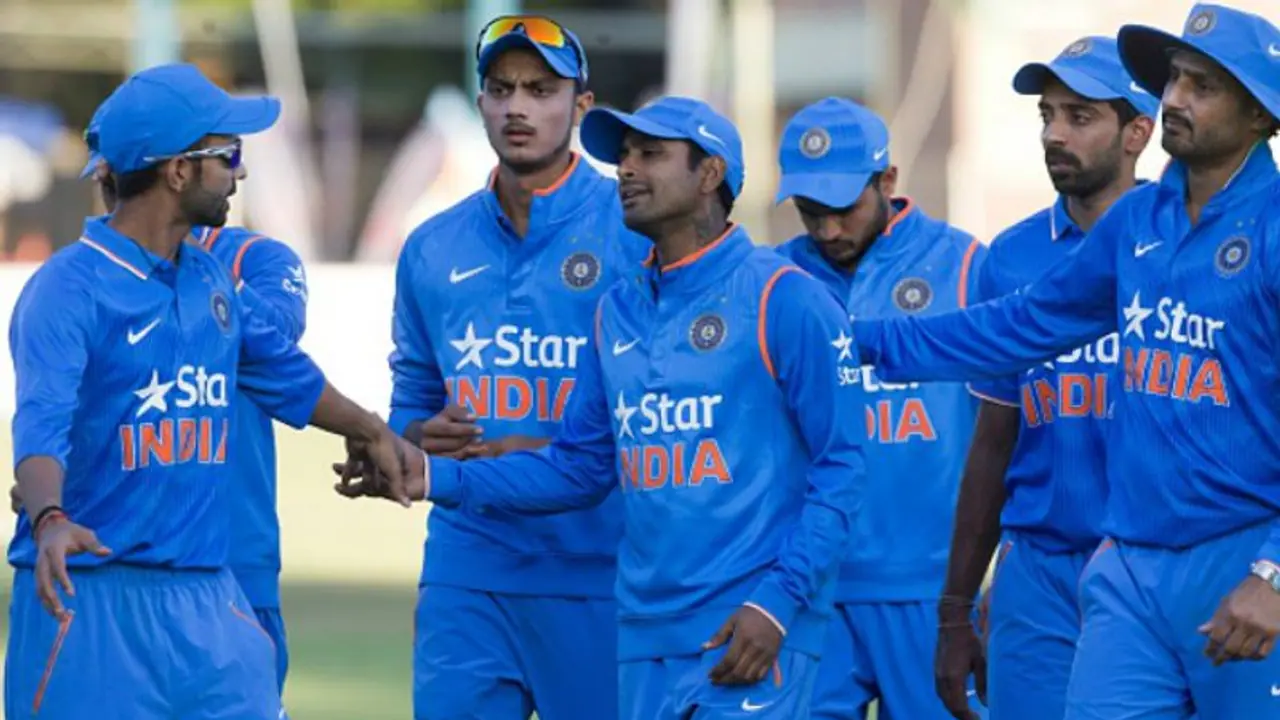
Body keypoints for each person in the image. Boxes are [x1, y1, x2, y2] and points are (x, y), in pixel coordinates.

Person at [340, 95, 866, 720]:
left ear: (710, 173)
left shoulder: (785, 299)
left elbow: (844, 468)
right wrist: (430, 475)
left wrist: (778, 601)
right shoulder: (616, 309)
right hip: (643, 634)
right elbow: (579, 467)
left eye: (651, 154)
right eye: (624, 156)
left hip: (748, 629)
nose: (627, 169)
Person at [849, 5, 1280, 717]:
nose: (1174, 98)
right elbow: (1023, 325)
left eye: (1202, 86)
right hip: (1131, 564)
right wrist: (861, 341)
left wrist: (1272, 571)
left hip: (1240, 559)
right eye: (1174, 78)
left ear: (1261, 114)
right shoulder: (1137, 222)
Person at [3, 63, 415, 720]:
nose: (239, 173)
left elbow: (285, 373)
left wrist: (372, 431)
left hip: (208, 598)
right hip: (91, 599)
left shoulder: (210, 280)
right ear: (177, 171)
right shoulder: (66, 288)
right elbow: (39, 425)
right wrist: (49, 518)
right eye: (228, 156)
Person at [386, 15, 648, 720]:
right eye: (501, 90)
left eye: (540, 90)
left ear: (581, 105)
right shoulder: (431, 247)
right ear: (480, 104)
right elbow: (412, 394)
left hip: (601, 570)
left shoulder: (635, 235)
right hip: (467, 567)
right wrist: (418, 432)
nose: (517, 108)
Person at [933, 36, 1157, 720]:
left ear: (1137, 133)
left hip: (1154, 565)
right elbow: (993, 440)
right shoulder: (1011, 257)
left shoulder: (1181, 244)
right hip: (1038, 573)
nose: (1055, 134)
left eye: (1080, 116)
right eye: (1047, 115)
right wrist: (955, 610)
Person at [771, 96, 989, 720]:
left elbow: (1010, 429)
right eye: (810, 212)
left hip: (933, 590)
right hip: (809, 589)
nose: (827, 231)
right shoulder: (775, 281)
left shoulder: (967, 266)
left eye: (843, 209)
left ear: (887, 180)